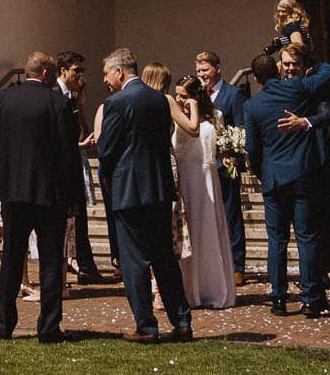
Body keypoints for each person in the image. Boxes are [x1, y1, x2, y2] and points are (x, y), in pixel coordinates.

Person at [97, 48, 193, 343]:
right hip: (159, 188)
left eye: (107, 74)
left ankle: (146, 326)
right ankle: (182, 322)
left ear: (120, 71)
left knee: (134, 260)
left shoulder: (116, 102)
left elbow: (106, 150)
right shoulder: (160, 100)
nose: (105, 80)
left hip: (129, 190)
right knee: (164, 258)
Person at [0, 51, 75, 343]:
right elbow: (67, 153)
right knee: (50, 261)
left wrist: (0, 182)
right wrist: (70, 194)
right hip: (49, 194)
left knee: (11, 258)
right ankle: (48, 327)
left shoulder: (1, 101)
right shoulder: (58, 104)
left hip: (13, 193)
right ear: (47, 74)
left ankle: (4, 324)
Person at [245, 44, 330, 318]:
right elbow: (329, 71)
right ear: (277, 70)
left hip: (274, 177)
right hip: (303, 173)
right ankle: (310, 298)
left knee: (277, 240)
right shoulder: (298, 88)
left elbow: (252, 148)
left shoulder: (252, 105)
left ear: (254, 78)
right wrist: (313, 59)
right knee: (306, 237)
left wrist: (263, 173)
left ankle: (278, 298)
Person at [170, 73, 236, 308]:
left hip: (207, 180)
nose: (179, 100)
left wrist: (230, 156)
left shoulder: (216, 116)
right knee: (189, 234)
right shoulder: (176, 117)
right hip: (186, 180)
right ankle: (189, 291)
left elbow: (219, 144)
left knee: (209, 231)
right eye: (177, 95)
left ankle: (213, 288)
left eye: (184, 96)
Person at [195, 50, 247, 283]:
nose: (202, 75)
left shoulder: (233, 94)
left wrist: (233, 155)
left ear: (217, 68)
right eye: (198, 71)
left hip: (225, 163)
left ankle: (237, 265)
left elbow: (240, 127)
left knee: (231, 213)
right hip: (202, 162)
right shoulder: (195, 95)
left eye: (205, 70)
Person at [55, 52, 102, 283]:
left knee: (78, 217)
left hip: (73, 164)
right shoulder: (55, 96)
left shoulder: (71, 99)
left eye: (82, 70)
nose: (80, 74)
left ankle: (85, 266)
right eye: (76, 70)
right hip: (61, 169)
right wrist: (78, 145)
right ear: (63, 70)